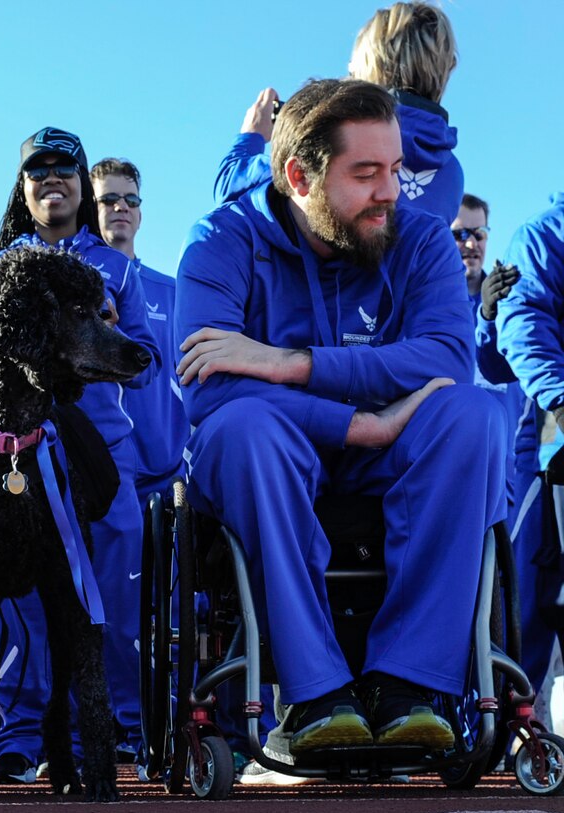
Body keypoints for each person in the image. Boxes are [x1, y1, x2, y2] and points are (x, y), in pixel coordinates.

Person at [177, 78, 505, 758]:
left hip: (389, 456)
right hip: (278, 454)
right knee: (244, 428)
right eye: (366, 174)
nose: (391, 192)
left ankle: (410, 685)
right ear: (299, 176)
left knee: (471, 415)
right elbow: (211, 392)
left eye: (395, 169)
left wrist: (288, 363)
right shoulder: (221, 241)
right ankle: (314, 695)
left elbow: (447, 357)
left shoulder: (420, 238)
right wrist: (357, 424)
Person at [0, 127, 160, 781]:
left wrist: (102, 344)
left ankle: (121, 727)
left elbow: (147, 364)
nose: (51, 179)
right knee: (19, 604)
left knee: (113, 593)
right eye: (37, 170)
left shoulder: (115, 269)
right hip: (15, 458)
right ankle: (17, 738)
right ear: (22, 188)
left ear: (82, 183)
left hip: (102, 461)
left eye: (64, 169)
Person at [214, 1, 462, 224]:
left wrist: (251, 136)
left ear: (371, 62)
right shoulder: (451, 174)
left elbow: (231, 188)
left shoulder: (341, 140)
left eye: (354, 65)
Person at [496, 193, 564, 706]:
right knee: (526, 611)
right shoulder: (543, 236)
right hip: (549, 460)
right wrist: (560, 400)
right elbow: (521, 321)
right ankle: (501, 729)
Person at [90, 160, 187, 503]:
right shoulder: (75, 292)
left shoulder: (173, 292)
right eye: (108, 199)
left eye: (131, 200)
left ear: (141, 215)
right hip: (96, 469)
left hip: (165, 475)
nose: (121, 207)